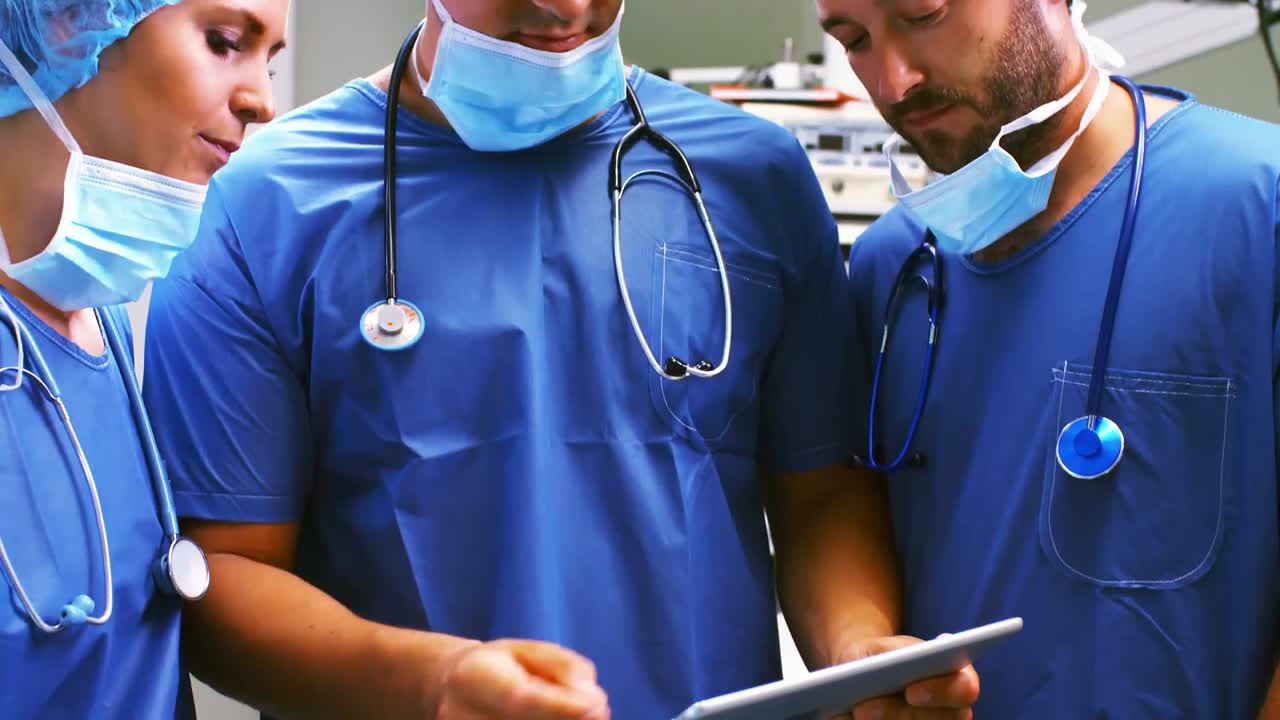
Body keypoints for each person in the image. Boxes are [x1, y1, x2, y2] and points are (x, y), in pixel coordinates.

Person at [138, 1, 980, 718]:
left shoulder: (756, 178)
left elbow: (820, 492)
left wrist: (856, 648)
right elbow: (225, 572)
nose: (565, 4)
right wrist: (431, 685)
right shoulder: (263, 205)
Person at [818, 0, 1280, 715]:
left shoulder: (1256, 206)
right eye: (854, 40)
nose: (894, 80)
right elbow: (842, 513)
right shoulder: (893, 268)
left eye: (922, 13)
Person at [0, 0, 285, 716]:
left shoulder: (100, 321)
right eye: (225, 42)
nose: (263, 102)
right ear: (66, 19)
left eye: (272, 62)